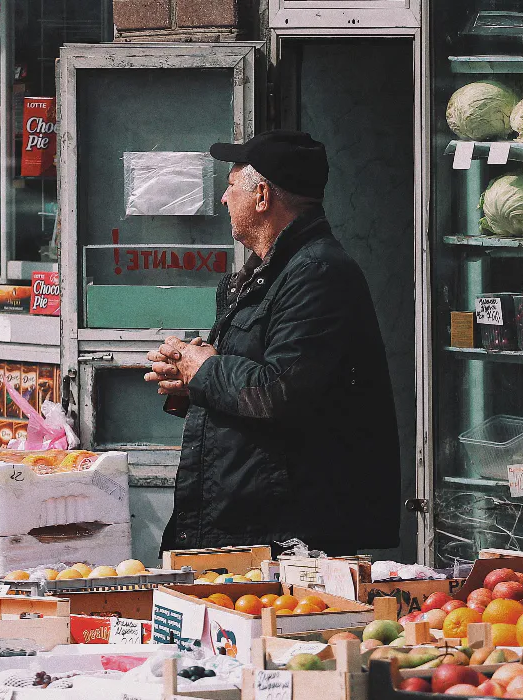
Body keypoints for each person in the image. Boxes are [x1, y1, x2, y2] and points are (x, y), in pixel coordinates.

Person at [144, 130, 400, 555]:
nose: (224, 201)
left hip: (288, 532)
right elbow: (252, 380)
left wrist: (205, 368)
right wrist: (190, 379)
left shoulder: (317, 273)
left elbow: (280, 390)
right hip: (250, 520)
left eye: (229, 187)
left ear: (262, 196)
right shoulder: (267, 273)